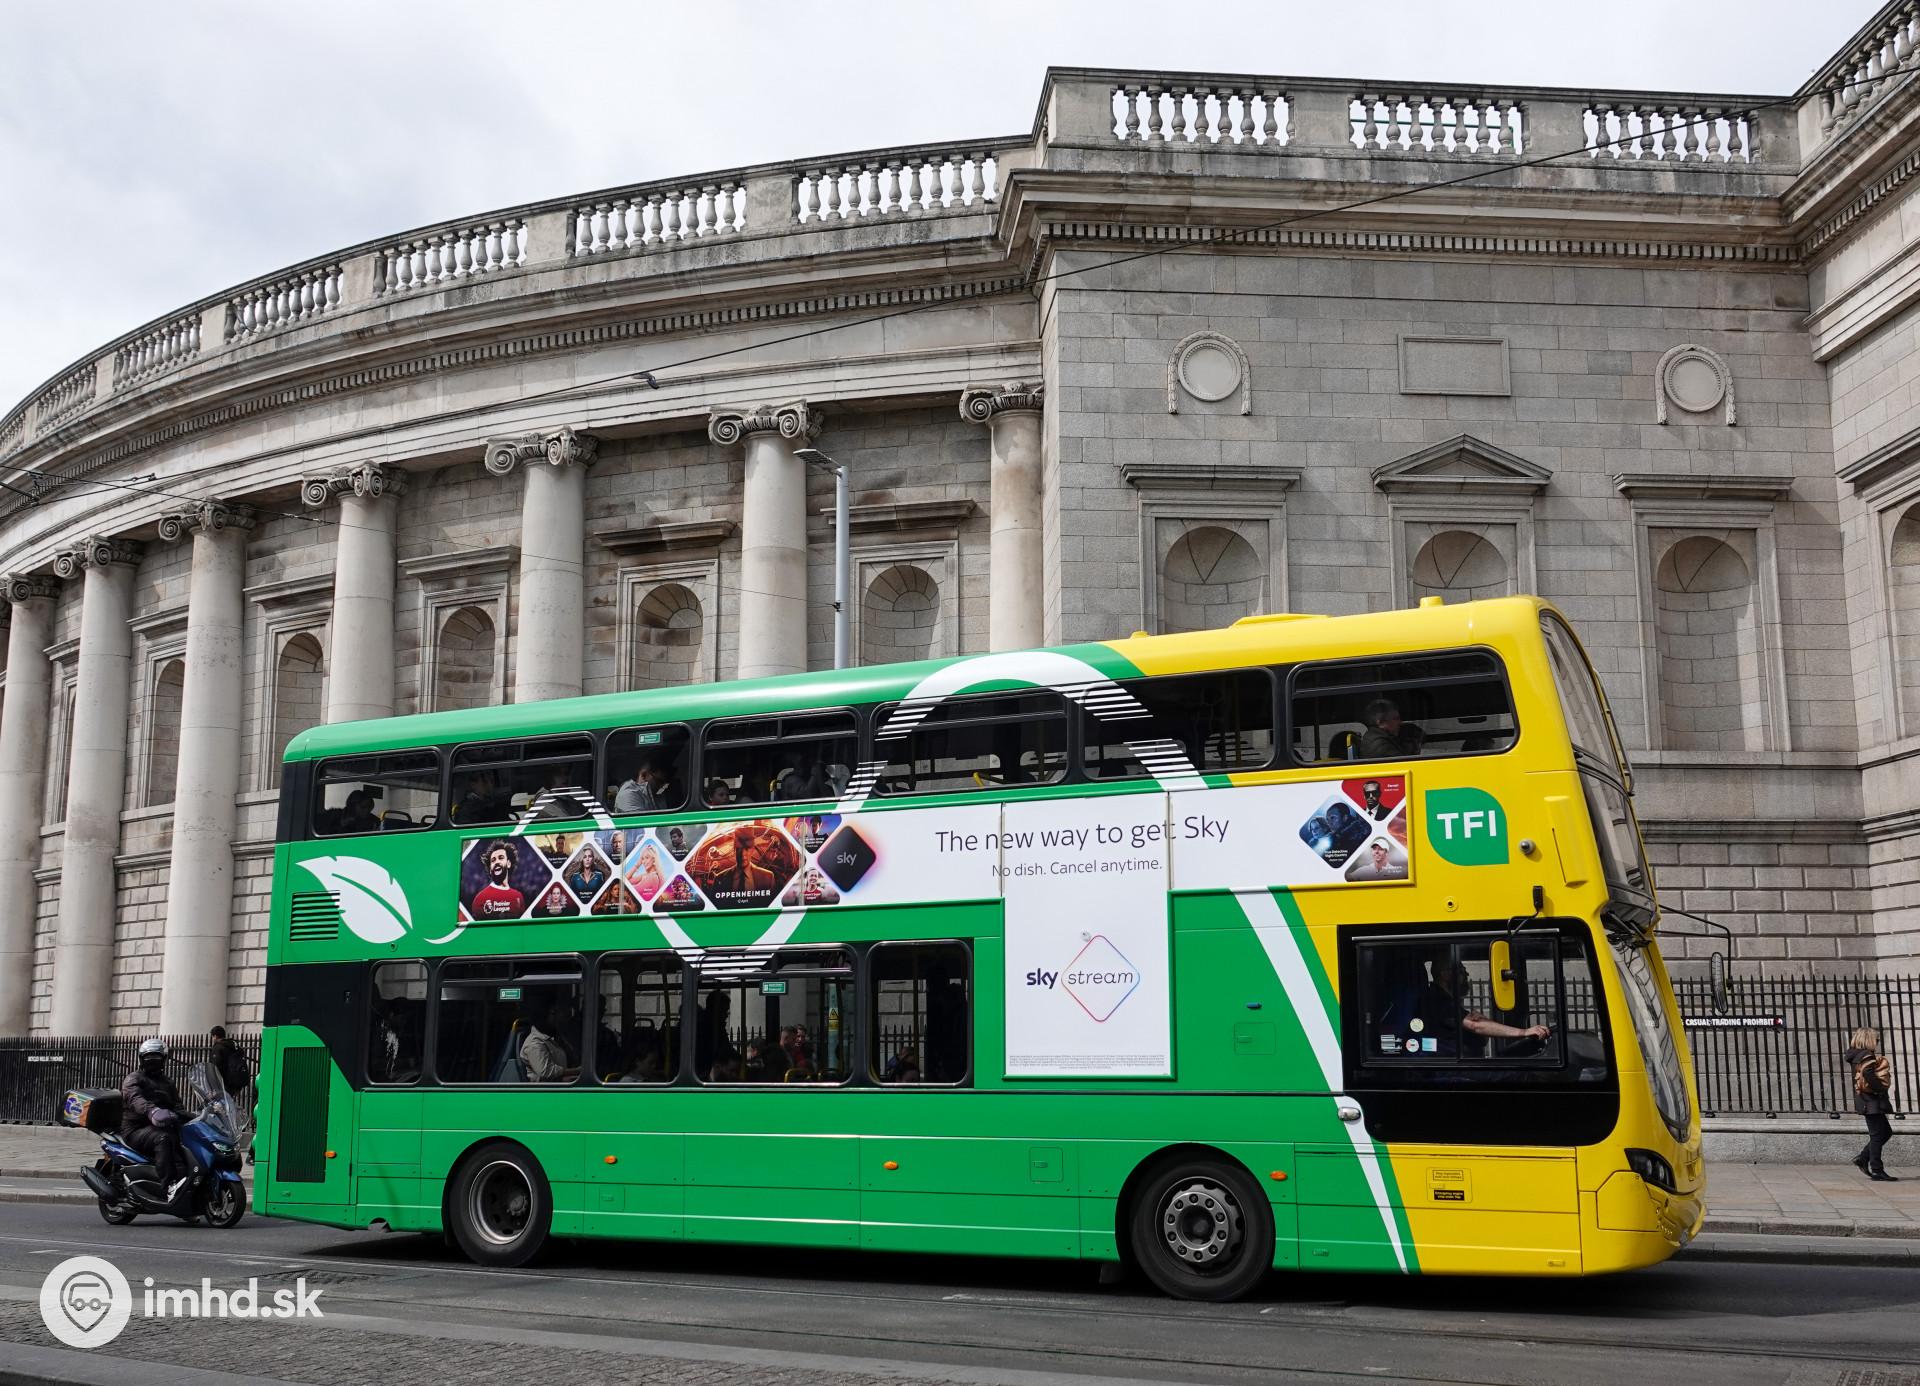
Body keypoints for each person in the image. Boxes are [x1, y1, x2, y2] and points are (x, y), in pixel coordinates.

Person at [1416, 951, 1551, 1057]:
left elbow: (1480, 1038)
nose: (1467, 974)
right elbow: (1475, 1025)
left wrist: (1483, 1022)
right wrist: (1524, 1032)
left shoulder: (1447, 1001)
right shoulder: (1439, 1000)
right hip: (1454, 1070)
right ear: (1445, 974)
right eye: (1461, 970)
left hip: (1464, 1064)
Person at [120, 1038, 188, 1199]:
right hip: (136, 1129)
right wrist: (152, 1111)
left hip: (162, 1125)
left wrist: (196, 1115)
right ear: (141, 1059)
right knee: (163, 1138)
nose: (152, 1061)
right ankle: (169, 1186)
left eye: (156, 1058)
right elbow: (135, 1098)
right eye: (149, 1058)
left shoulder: (167, 1082)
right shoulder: (133, 1079)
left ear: (164, 1059)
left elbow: (177, 1106)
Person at [1846, 1026, 1899, 1181]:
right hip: (1871, 1101)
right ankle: (1877, 1170)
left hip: (1865, 1100)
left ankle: (1863, 1158)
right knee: (1877, 1135)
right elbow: (1868, 1075)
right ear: (1868, 1039)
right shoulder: (1866, 1056)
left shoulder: (1855, 1055)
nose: (1877, 1041)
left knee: (1885, 1132)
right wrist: (1880, 1088)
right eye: (1876, 1039)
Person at [470, 840, 526, 918]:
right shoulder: (480, 899)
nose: (496, 862)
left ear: (508, 864)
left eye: (501, 858)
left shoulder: (518, 897)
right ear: (490, 869)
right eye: (493, 860)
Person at [1357, 699, 1425, 760]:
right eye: (1395, 719)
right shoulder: (1380, 745)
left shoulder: (1384, 737)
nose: (1399, 722)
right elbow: (1404, 764)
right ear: (1381, 722)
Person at [520, 1002, 571, 1082]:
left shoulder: (554, 1037)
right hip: (544, 1088)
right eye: (554, 1013)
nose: (559, 1017)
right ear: (543, 1016)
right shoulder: (534, 1043)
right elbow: (546, 1071)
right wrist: (577, 1071)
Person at [208, 1025, 252, 1098]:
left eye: (212, 1037)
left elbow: (215, 1067)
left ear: (215, 1036)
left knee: (220, 1103)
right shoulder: (235, 1047)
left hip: (223, 1083)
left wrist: (213, 1084)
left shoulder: (218, 1048)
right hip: (235, 1082)